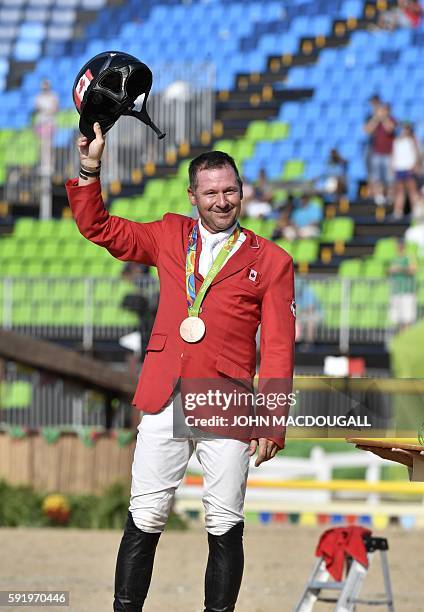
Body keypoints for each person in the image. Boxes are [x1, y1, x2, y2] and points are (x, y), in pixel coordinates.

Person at [66, 122, 295, 612]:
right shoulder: (169, 234)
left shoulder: (273, 260)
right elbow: (98, 228)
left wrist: (272, 421)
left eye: (229, 190)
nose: (221, 200)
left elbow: (278, 348)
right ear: (192, 195)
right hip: (164, 393)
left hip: (228, 403)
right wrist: (90, 166)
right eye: (211, 192)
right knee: (145, 516)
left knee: (225, 522)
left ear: (242, 191)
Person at [364, 102, 396, 206]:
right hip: (377, 153)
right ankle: (379, 196)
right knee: (377, 177)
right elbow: (367, 130)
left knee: (390, 178)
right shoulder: (376, 121)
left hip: (389, 154)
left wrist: (384, 118)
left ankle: (390, 196)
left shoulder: (392, 120)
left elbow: (389, 129)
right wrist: (376, 118)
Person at [391, 122, 422, 219]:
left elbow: (418, 155)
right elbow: (394, 155)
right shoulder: (397, 141)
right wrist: (393, 166)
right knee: (400, 191)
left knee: (412, 191)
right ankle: (398, 211)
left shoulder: (414, 140)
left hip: (409, 168)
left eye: (407, 128)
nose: (405, 131)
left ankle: (416, 211)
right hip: (399, 168)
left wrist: (415, 165)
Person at [388, 238, 417, 331]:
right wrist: (390, 271)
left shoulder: (409, 256)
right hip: (396, 291)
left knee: (407, 317)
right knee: (397, 318)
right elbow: (389, 271)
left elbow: (413, 270)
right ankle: (400, 336)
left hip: (407, 291)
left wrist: (399, 269)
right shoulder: (394, 258)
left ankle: (407, 336)